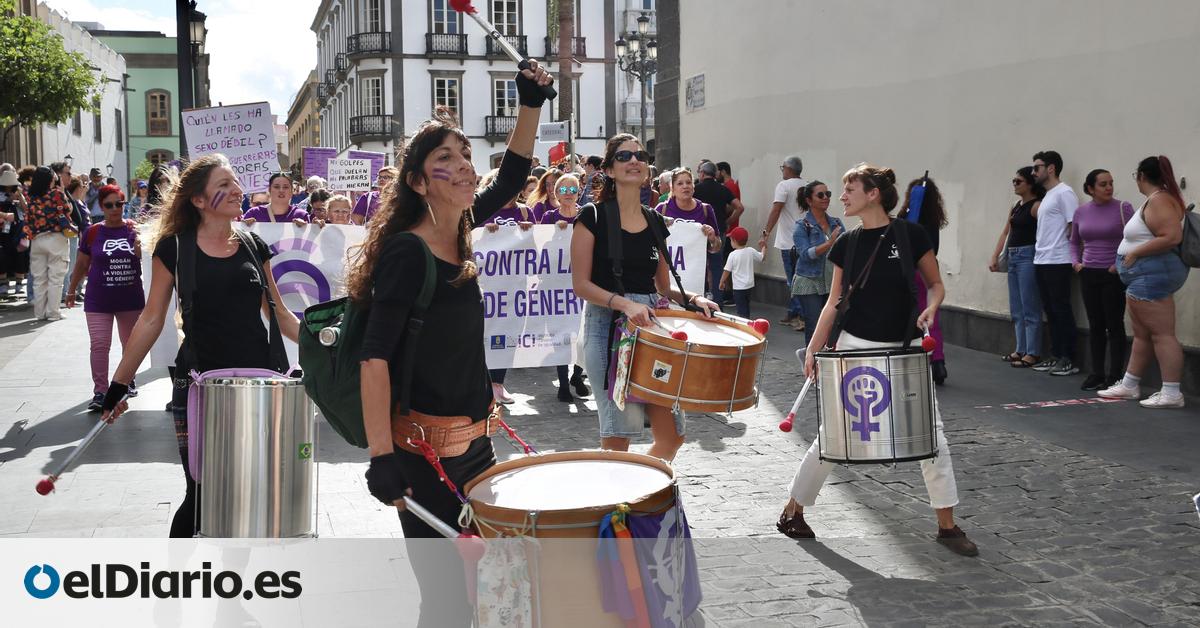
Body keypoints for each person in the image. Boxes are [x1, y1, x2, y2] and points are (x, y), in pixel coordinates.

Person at [347, 63, 552, 626]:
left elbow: (510, 178)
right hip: (423, 458)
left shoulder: (457, 228)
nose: (464, 168)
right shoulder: (408, 253)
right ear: (417, 182)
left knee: (485, 591)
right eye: (446, 162)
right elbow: (374, 359)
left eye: (465, 157)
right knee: (445, 603)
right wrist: (381, 458)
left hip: (476, 448)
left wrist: (529, 102)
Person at [777, 163, 978, 557]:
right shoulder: (846, 244)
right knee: (835, 435)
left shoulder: (911, 235)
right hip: (855, 347)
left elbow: (936, 284)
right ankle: (793, 509)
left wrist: (931, 308)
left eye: (849, 188)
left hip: (904, 347)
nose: (842, 196)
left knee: (931, 435)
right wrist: (816, 349)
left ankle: (948, 526)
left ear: (873, 194)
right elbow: (835, 302)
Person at [99, 154, 303, 538]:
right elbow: (150, 319)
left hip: (256, 387)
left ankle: (232, 593)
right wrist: (118, 385)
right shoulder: (174, 249)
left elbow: (281, 315)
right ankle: (176, 584)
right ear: (197, 199)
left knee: (248, 494)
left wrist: (327, 344)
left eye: (236, 183)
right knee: (201, 493)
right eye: (223, 185)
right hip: (198, 385)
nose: (236, 191)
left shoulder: (252, 245)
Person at [571, 134, 719, 462]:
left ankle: (640, 496)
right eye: (624, 156)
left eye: (639, 155)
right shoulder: (592, 217)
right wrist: (625, 303)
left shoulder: (654, 219)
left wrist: (695, 298)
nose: (634, 160)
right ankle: (619, 506)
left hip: (651, 330)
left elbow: (663, 287)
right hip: (608, 329)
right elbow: (580, 284)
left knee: (672, 435)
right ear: (609, 170)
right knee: (618, 439)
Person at [1099, 155, 1191, 408]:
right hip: (1145, 275)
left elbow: (1171, 236)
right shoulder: (1157, 199)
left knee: (1162, 334)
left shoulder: (1160, 200)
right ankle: (1130, 384)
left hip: (1152, 275)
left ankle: (1172, 392)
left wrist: (1135, 253)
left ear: (1141, 177)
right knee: (1142, 334)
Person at [65, 185, 145, 410]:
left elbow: (144, 255)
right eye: (109, 205)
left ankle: (126, 381)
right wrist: (71, 290)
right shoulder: (92, 232)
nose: (114, 209)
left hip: (130, 298)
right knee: (99, 345)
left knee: (131, 345)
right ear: (101, 206)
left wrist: (139, 241)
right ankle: (100, 392)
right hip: (98, 299)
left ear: (124, 204)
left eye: (119, 204)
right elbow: (81, 264)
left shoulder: (134, 229)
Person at [1070, 169, 1134, 391]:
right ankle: (1096, 373)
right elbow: (1073, 241)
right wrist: (1076, 263)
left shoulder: (1122, 208)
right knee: (1095, 325)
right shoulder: (1081, 212)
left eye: (1111, 183)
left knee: (1114, 324)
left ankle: (1115, 375)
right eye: (1103, 184)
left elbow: (1135, 239)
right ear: (1090, 189)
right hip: (1088, 273)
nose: (1109, 188)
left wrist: (1119, 265)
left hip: (1112, 274)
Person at [539, 172, 591, 402]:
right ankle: (562, 384)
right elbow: (538, 248)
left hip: (582, 285)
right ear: (556, 193)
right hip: (555, 288)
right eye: (564, 190)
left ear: (579, 191)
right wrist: (552, 235)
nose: (568, 194)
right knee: (559, 335)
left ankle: (577, 376)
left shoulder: (587, 215)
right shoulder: (549, 217)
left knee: (582, 334)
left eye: (573, 190)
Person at [1031, 150, 1081, 376]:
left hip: (1058, 259)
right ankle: (1056, 354)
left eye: (1037, 168)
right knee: (1050, 310)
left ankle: (1068, 358)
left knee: (1061, 309)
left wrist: (1072, 255)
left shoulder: (1065, 193)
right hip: (1041, 259)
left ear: (1051, 168)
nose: (1034, 172)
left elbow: (1074, 226)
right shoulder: (1049, 195)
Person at [990, 167, 1044, 368]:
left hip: (1028, 255)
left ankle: (1033, 352)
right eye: (1013, 181)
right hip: (1013, 255)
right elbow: (1006, 232)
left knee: (1030, 305)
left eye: (1018, 181)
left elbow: (1046, 231)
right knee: (1017, 307)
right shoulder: (1016, 206)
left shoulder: (1036, 206)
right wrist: (996, 255)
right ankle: (1020, 348)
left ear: (1030, 184)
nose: (1014, 184)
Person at [898, 177, 950, 385]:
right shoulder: (932, 220)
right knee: (931, 317)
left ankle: (914, 358)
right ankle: (938, 362)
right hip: (930, 270)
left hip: (911, 270)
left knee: (911, 314)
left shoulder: (908, 219)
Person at [790, 181, 845, 340]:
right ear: (809, 200)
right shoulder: (801, 226)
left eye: (827, 194)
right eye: (820, 195)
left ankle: (826, 362)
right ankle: (811, 361)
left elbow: (846, 250)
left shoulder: (836, 222)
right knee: (814, 325)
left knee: (832, 325)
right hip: (809, 281)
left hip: (832, 281)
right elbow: (806, 254)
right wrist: (829, 243)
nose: (825, 198)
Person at [759, 155, 807, 326]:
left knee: (792, 279)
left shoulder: (784, 186)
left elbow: (776, 210)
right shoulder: (807, 186)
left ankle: (801, 315)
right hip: (805, 241)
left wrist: (766, 232)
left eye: (783, 168)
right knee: (801, 277)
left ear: (788, 169)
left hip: (788, 241)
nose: (782, 171)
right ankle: (793, 312)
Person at [23, 167, 75, 321]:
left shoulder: (31, 197)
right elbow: (68, 210)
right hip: (56, 238)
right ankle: (53, 312)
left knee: (39, 279)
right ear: (50, 179)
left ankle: (39, 313)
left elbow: (28, 219)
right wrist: (63, 191)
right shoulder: (57, 194)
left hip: (37, 240)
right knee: (55, 278)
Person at [693, 161, 744, 306]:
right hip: (718, 230)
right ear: (715, 174)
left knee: (699, 266)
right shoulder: (723, 189)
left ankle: (699, 298)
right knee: (716, 266)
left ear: (702, 174)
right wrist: (728, 221)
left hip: (700, 232)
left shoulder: (696, 189)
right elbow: (739, 207)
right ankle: (718, 301)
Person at [653, 168, 722, 257]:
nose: (685, 186)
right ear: (672, 188)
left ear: (693, 187)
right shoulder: (661, 209)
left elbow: (716, 248)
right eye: (680, 183)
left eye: (688, 182)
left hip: (697, 269)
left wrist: (712, 239)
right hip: (667, 269)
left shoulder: (706, 209)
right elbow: (650, 242)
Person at [720, 226, 762, 318]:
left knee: (741, 308)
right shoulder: (750, 251)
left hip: (738, 287)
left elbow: (727, 270)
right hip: (749, 285)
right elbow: (761, 257)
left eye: (730, 240)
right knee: (746, 306)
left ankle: (744, 324)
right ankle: (747, 319)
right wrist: (764, 247)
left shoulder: (732, 255)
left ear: (734, 241)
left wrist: (722, 281)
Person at [242, 173, 311, 225]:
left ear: (292, 191)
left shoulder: (301, 215)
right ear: (269, 190)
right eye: (276, 187)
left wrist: (308, 228)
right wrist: (244, 227)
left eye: (285, 187)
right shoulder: (254, 213)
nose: (281, 190)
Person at [716, 161, 742, 229]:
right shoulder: (728, 185)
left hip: (730, 229)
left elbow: (732, 207)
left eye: (717, 172)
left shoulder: (730, 185)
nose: (715, 175)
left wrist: (726, 222)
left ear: (723, 172)